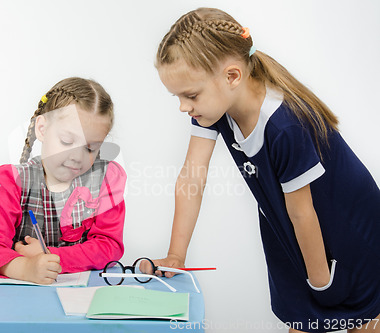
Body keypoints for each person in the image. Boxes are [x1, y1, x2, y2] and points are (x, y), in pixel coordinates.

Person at [151, 7, 380, 333]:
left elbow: (303, 213)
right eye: (177, 96)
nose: (183, 107)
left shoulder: (285, 125)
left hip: (347, 227)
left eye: (190, 95)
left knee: (361, 322)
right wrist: (176, 255)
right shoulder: (214, 107)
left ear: (232, 76)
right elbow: (192, 177)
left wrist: (320, 282)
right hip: (293, 227)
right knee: (305, 321)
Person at [0, 77, 126, 285]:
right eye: (67, 141)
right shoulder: (16, 182)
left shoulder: (106, 180)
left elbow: (109, 246)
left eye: (91, 147)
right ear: (42, 129)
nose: (77, 157)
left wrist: (52, 257)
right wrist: (25, 268)